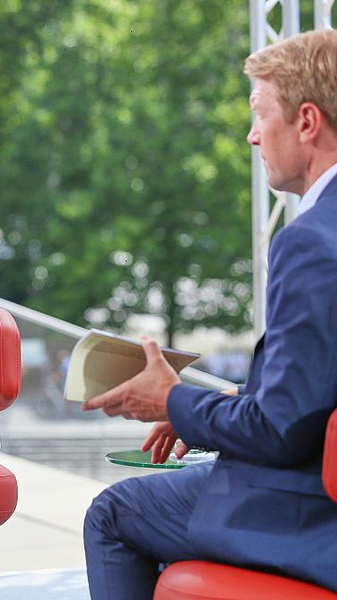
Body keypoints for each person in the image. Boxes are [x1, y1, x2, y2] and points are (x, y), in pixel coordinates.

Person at [81, 29, 337, 598]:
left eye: (260, 113)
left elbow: (279, 432)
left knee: (112, 514)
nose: (252, 135)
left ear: (306, 122)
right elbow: (318, 388)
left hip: (311, 514)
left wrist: (172, 401)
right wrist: (216, 405)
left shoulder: (311, 242)